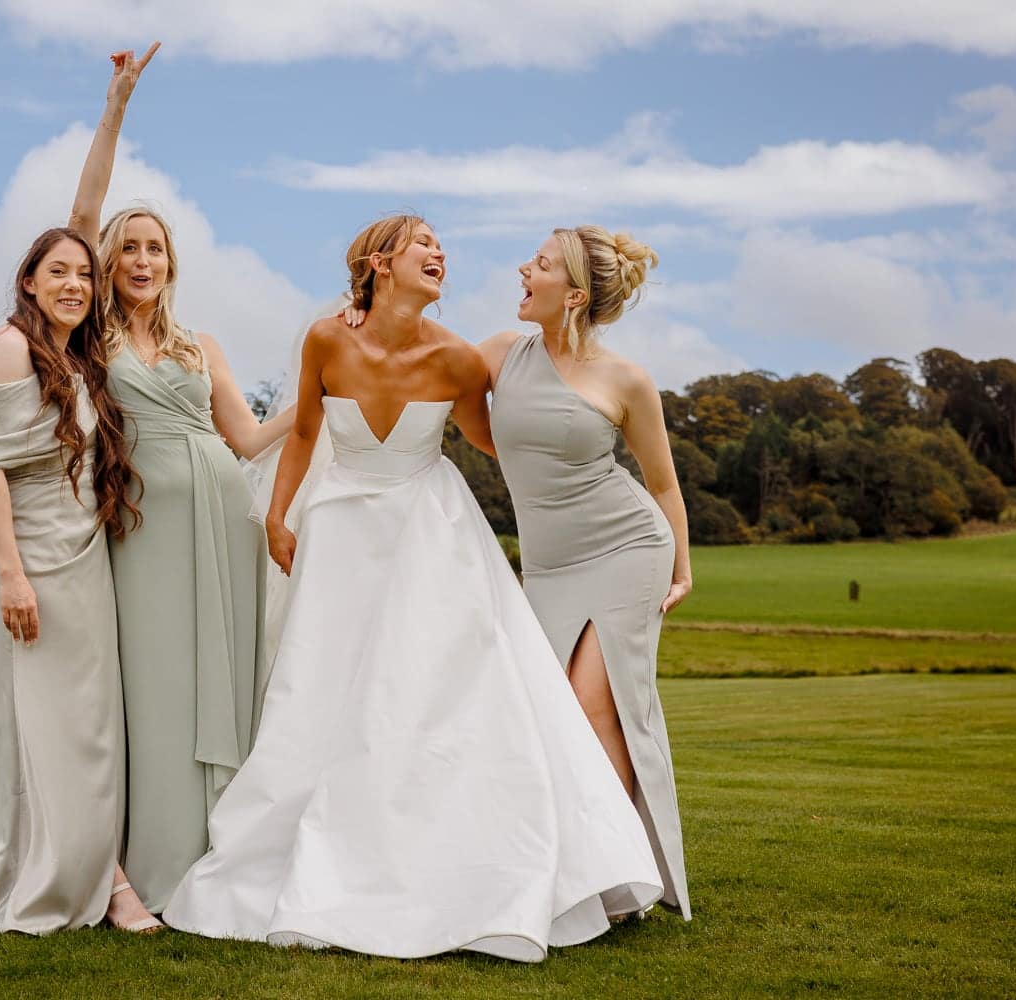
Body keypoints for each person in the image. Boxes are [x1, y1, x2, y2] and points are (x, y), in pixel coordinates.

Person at [162, 215, 664, 961]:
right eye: (423, 242)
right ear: (378, 261)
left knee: (437, 691)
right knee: (322, 692)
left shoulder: (461, 360)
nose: (440, 253)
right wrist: (276, 515)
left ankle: (462, 856)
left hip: (433, 536)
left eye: (440, 245)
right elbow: (302, 433)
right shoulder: (326, 339)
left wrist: (584, 486)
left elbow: (506, 441)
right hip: (339, 535)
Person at [67, 45, 291, 915]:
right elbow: (80, 213)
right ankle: (152, 865)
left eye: (155, 247)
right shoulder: (95, 338)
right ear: (108, 262)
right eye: (129, 248)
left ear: (171, 262)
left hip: (225, 519)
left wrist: (325, 388)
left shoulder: (205, 347)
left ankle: (223, 862)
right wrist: (116, 105)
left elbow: (247, 438)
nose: (142, 259)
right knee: (155, 686)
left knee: (227, 683)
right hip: (146, 526)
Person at [0, 227, 158, 933]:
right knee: (61, 721)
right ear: (29, 281)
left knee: (90, 722)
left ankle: (85, 865)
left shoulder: (73, 355)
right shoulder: (8, 346)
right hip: (35, 560)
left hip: (85, 553)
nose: (74, 284)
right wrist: (12, 576)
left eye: (84, 273)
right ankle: (108, 883)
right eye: (59, 272)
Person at [480, 225, 693, 919]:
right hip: (546, 565)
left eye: (537, 265)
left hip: (626, 549)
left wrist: (682, 566)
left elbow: (661, 486)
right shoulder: (499, 354)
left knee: (596, 708)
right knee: (553, 716)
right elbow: (418, 363)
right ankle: (577, 868)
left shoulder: (625, 378)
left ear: (572, 294)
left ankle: (613, 884)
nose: (523, 269)